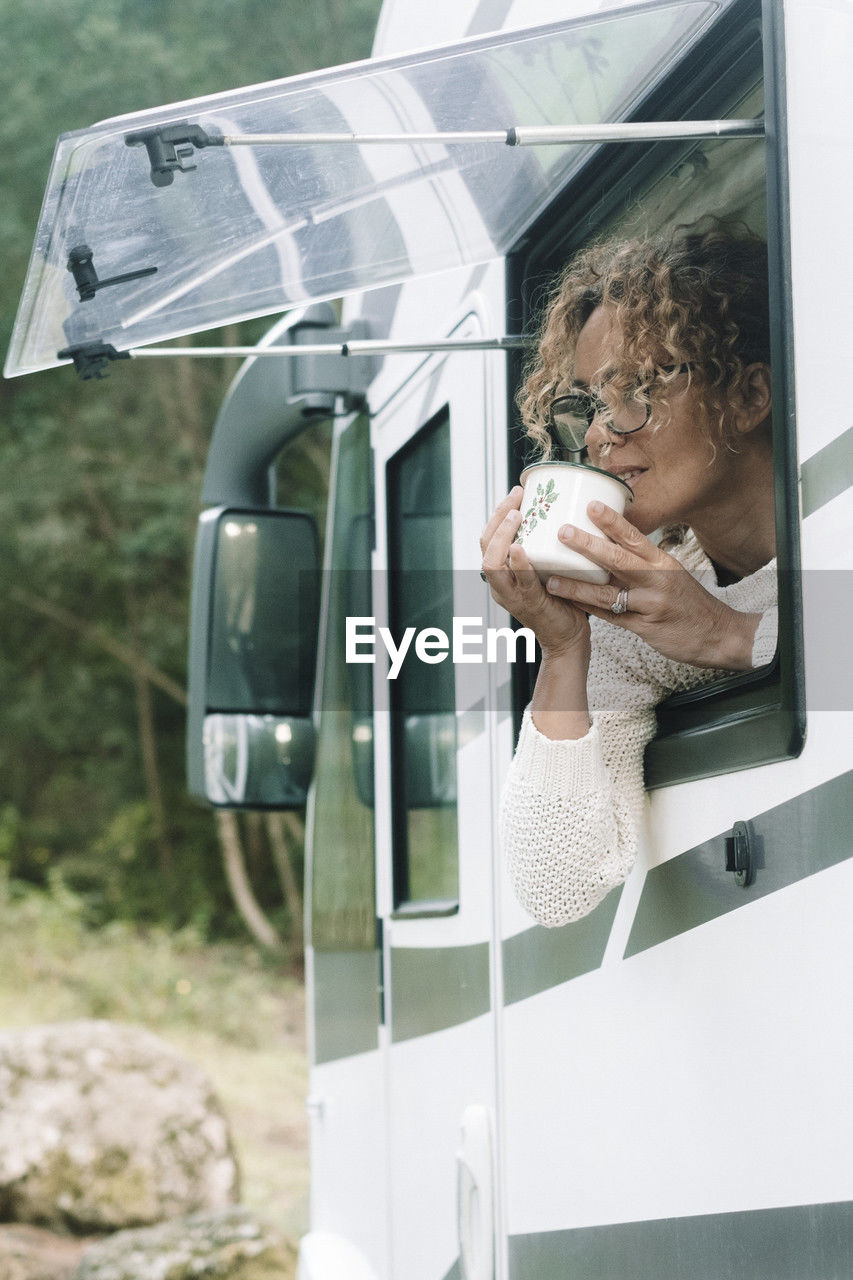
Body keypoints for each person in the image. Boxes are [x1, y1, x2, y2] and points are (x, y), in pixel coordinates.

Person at [480, 219, 778, 927]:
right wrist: (561, 650)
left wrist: (730, 638)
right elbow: (556, 889)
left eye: (637, 389)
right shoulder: (639, 609)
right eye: (591, 399)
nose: (601, 432)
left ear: (746, 395)